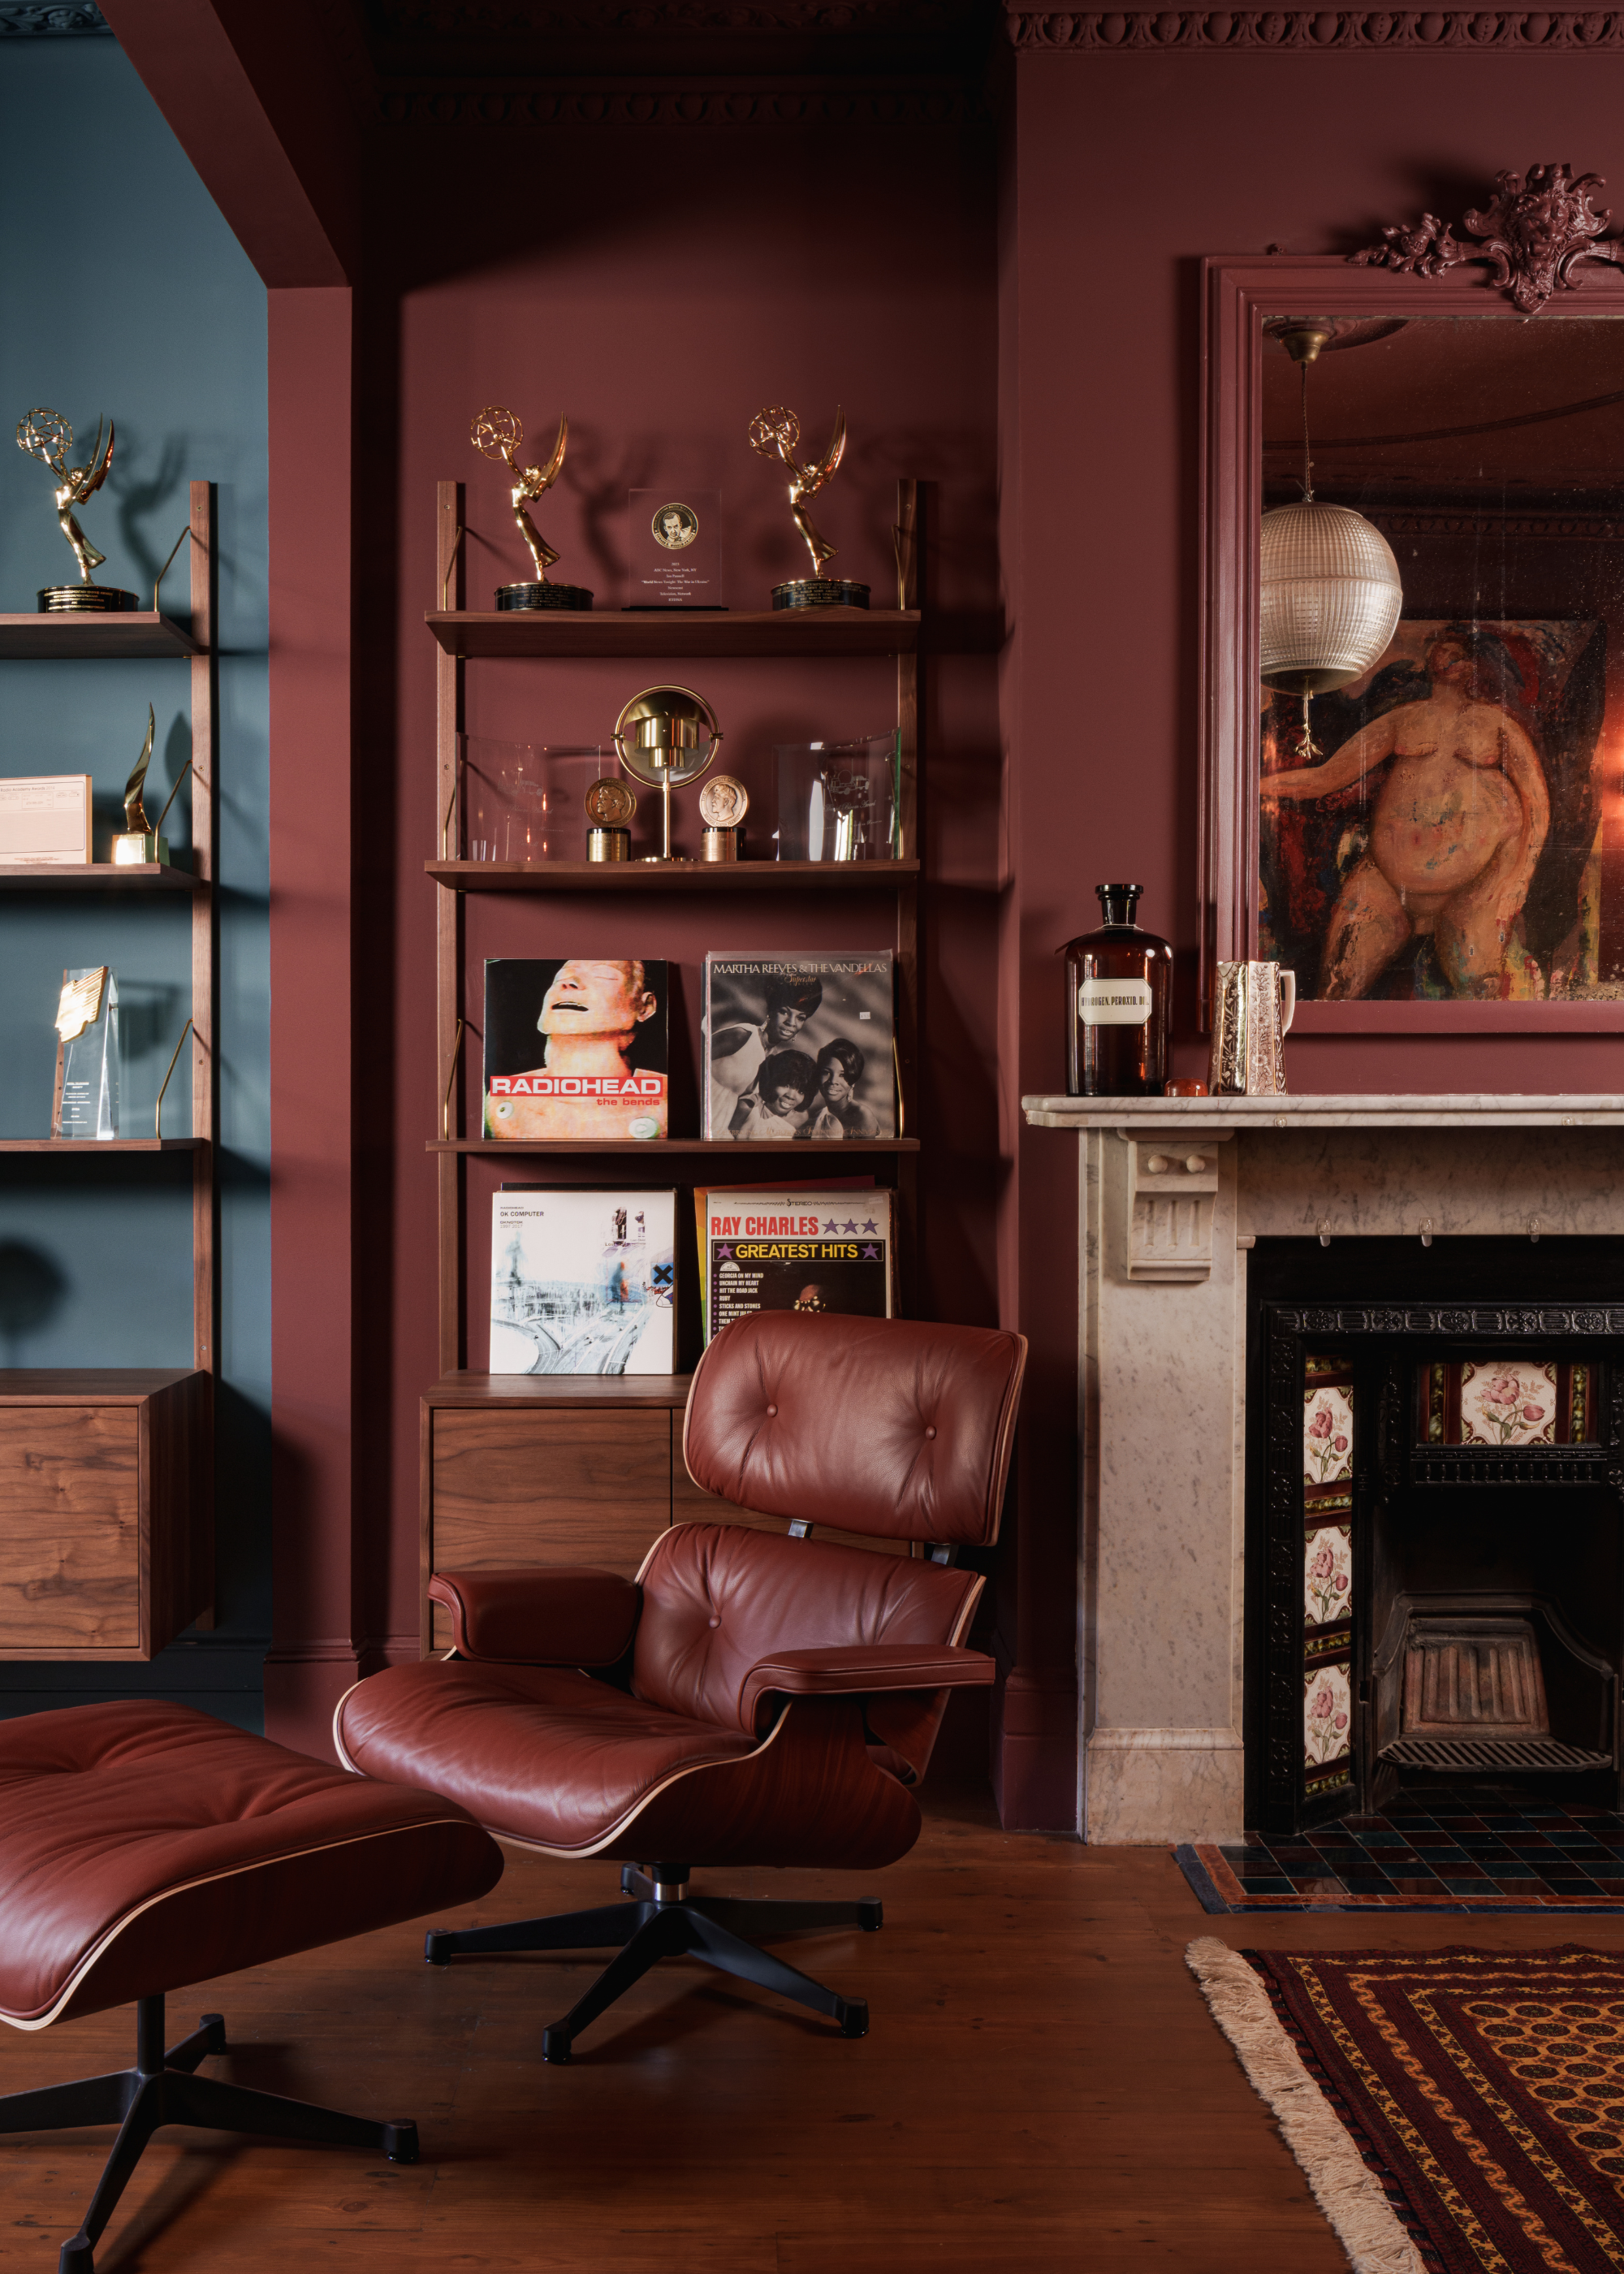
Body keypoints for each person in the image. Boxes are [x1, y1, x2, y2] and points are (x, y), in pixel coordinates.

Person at [1261, 628, 1549, 999]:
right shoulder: (1403, 719)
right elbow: (1325, 778)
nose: (1446, 660)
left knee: (1478, 995)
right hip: (1386, 880)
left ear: (1471, 668)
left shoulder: (1497, 725)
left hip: (1473, 886)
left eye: (1457, 654)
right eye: (1440, 653)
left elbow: (1538, 804)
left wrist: (1518, 879)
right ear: (1429, 665)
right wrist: (1250, 787)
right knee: (1337, 990)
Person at [485, 958, 664, 1140]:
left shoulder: (664, 1099)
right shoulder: (503, 1096)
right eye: (560, 978)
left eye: (602, 975)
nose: (569, 982)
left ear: (645, 1007)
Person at [709, 971, 823, 1135]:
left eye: (800, 1018)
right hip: (704, 1117)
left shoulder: (773, 1057)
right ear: (771, 1010)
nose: (791, 1023)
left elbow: (746, 1104)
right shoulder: (742, 1036)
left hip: (723, 1132)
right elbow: (696, 1063)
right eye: (784, 1012)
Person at [731, 1048, 819, 1139]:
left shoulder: (801, 1119)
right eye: (786, 1085)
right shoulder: (749, 1107)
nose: (791, 1096)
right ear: (772, 1081)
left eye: (801, 1091)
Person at [806, 1036, 880, 1139]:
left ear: (853, 1080)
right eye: (826, 1073)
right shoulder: (815, 1114)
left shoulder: (862, 1116)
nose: (833, 1081)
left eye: (842, 1075)